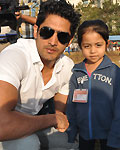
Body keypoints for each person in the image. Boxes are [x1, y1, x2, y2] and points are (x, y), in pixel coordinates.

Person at [0, 0, 80, 150]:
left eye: (62, 37)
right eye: (47, 32)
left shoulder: (67, 67)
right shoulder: (16, 56)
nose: (53, 41)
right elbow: (2, 124)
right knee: (28, 144)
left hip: (33, 123)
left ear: (69, 41)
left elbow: (60, 114)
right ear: (36, 31)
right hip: (6, 127)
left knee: (70, 142)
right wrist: (52, 119)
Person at [66, 19, 120, 150]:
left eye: (98, 45)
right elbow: (71, 105)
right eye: (87, 46)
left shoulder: (115, 72)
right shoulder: (76, 72)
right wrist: (72, 131)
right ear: (80, 46)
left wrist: (115, 137)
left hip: (110, 135)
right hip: (83, 134)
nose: (93, 51)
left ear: (106, 44)